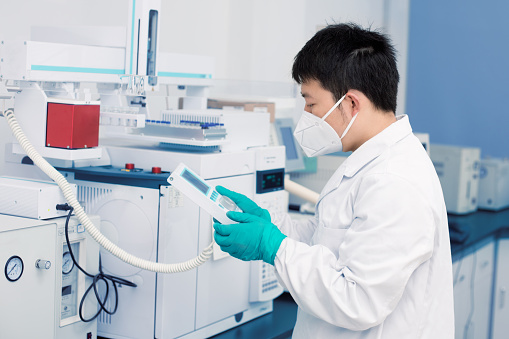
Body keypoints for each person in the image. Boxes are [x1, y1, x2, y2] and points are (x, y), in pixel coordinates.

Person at [213, 23, 454, 338]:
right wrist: (271, 225)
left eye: (311, 104)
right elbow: (326, 241)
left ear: (351, 104)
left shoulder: (395, 180)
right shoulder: (369, 161)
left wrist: (272, 247)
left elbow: (357, 300)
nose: (307, 115)